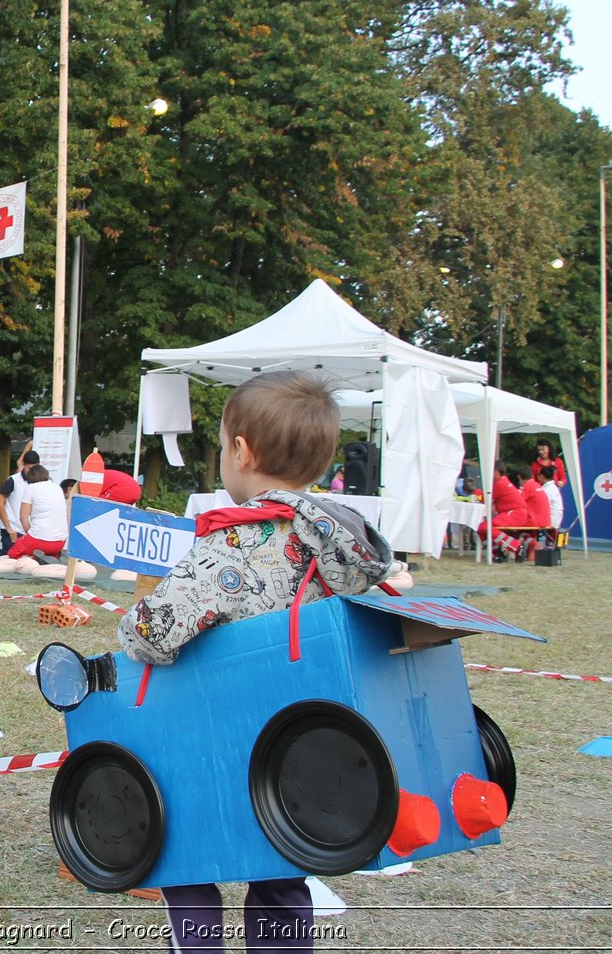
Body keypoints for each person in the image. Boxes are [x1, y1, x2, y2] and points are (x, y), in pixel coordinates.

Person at [117, 371, 408, 952]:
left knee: (187, 862)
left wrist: (132, 622)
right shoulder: (344, 544)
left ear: (241, 450)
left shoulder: (236, 543)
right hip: (308, 743)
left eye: (223, 444)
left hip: (221, 737)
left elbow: (151, 635)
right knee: (281, 873)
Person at [8, 464, 69, 559]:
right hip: (60, 542)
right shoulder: (57, 488)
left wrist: (29, 534)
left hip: (39, 541)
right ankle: (50, 557)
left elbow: (23, 516)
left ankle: (34, 558)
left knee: (14, 553)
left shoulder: (31, 488)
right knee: (47, 550)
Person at [477, 463, 531, 561]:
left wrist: (474, 492)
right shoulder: (503, 482)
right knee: (482, 528)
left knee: (485, 527)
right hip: (514, 513)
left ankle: (516, 546)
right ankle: (498, 551)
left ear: (496, 472)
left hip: (514, 514)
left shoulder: (500, 484)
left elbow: (486, 497)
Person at [0, 444, 38, 552]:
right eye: (29, 468)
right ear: (23, 465)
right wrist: (8, 528)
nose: (32, 471)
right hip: (13, 531)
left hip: (31, 531)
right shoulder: (13, 480)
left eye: (35, 468)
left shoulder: (39, 481)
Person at [539, 464, 563, 531]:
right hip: (556, 519)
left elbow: (542, 506)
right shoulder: (553, 487)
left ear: (542, 476)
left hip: (551, 520)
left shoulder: (547, 490)